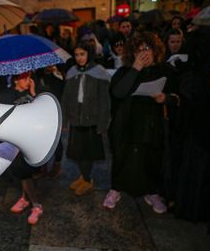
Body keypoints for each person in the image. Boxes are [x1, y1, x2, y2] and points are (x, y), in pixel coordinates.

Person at [103, 32, 179, 213]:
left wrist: (165, 98)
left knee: (151, 156)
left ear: (155, 50)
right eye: (138, 50)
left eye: (147, 48)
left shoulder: (166, 70)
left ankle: (152, 192)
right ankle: (115, 189)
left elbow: (177, 98)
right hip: (126, 121)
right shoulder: (125, 71)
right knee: (122, 155)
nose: (143, 53)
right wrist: (135, 68)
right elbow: (118, 93)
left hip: (151, 121)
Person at [61, 41, 110, 196]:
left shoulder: (99, 72)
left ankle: (88, 180)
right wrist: (64, 120)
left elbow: (104, 101)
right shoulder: (71, 73)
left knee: (89, 153)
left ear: (89, 54)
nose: (79, 58)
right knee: (77, 152)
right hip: (76, 120)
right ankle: (84, 177)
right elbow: (66, 99)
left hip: (92, 121)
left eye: (82, 54)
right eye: (76, 55)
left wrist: (102, 124)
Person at [0, 71, 43, 225]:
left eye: (30, 77)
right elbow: (4, 117)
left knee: (27, 173)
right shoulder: (7, 95)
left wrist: (33, 93)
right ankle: (31, 202)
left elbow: (39, 113)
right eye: (25, 78)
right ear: (16, 80)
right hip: (15, 141)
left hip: (31, 138)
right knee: (24, 173)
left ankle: (34, 204)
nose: (28, 80)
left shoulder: (31, 93)